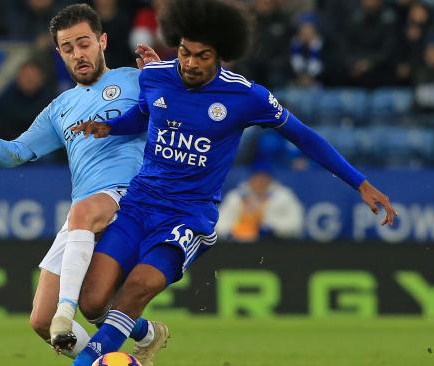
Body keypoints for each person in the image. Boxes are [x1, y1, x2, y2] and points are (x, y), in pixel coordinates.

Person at [69, 0, 397, 364]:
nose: (190, 63)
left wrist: (360, 182)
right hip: (138, 204)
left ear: (221, 56)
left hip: (187, 216)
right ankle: (147, 333)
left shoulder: (247, 96)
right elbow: (144, 114)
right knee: (92, 301)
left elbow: (304, 137)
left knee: (137, 287)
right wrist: (110, 127)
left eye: (202, 56)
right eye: (184, 52)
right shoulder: (155, 75)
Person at [0, 4, 167, 364]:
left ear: (102, 41)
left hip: (131, 196)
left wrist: (161, 80)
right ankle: (138, 338)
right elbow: (14, 153)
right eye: (68, 48)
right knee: (42, 321)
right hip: (85, 211)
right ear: (59, 53)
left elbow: (174, 115)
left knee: (73, 302)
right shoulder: (59, 108)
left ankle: (68, 310)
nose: (78, 54)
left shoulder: (134, 78)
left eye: (84, 43)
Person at [216, 167, 304, 242]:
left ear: (270, 179)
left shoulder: (284, 197)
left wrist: (272, 229)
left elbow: (295, 224)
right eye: (257, 177)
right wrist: (230, 233)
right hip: (237, 245)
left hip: (274, 245)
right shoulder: (236, 197)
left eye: (264, 178)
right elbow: (219, 223)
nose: (260, 181)